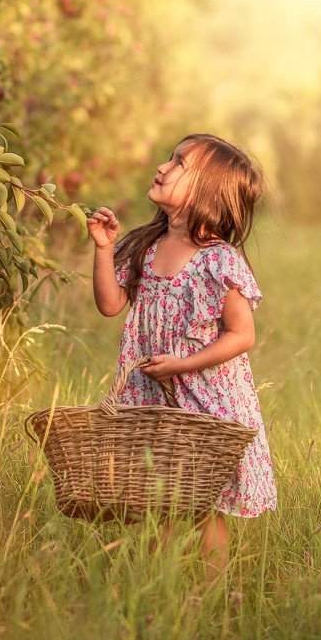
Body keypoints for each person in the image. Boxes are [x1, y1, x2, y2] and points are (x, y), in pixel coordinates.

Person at [87, 133, 277, 578]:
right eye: (170, 159)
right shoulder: (146, 246)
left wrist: (182, 364)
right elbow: (111, 303)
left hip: (204, 401)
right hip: (154, 400)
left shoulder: (219, 261)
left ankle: (209, 600)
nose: (163, 166)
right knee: (160, 503)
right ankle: (161, 593)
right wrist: (102, 248)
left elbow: (241, 334)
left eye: (178, 163)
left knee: (202, 508)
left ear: (206, 191)